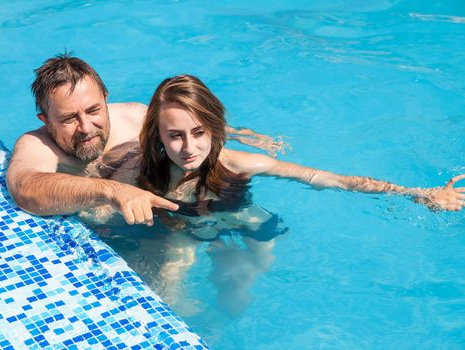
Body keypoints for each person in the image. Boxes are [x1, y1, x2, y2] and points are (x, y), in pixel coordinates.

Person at [83, 74, 465, 316]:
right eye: (175, 136)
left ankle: (233, 261)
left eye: (199, 133)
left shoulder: (239, 163)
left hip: (239, 215)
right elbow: (94, 198)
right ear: (158, 136)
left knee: (249, 278)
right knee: (173, 293)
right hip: (179, 227)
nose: (188, 147)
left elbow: (325, 177)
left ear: (216, 130)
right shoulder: (136, 168)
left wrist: (417, 193)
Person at [6, 54, 283, 225]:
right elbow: (26, 189)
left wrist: (241, 134)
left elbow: (188, 123)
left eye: (93, 110)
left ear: (105, 99)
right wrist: (113, 191)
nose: (86, 127)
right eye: (69, 119)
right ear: (45, 120)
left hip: (177, 208)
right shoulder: (36, 144)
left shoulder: (134, 116)